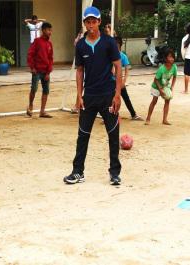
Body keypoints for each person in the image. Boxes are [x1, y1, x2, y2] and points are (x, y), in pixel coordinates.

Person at [64, 6, 123, 186]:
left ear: (99, 22)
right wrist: (79, 95)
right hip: (89, 96)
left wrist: (117, 94)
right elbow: (80, 70)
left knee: (113, 134)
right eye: (87, 22)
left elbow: (118, 66)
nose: (91, 25)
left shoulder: (109, 42)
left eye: (94, 21)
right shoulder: (81, 45)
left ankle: (114, 173)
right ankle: (77, 172)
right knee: (83, 134)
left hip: (107, 95)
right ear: (84, 23)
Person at [26, 22, 54, 118]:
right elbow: (30, 54)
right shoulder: (37, 41)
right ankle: (30, 105)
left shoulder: (50, 44)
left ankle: (42, 111)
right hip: (37, 71)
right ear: (43, 30)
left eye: (51, 30)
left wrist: (48, 72)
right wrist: (32, 67)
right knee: (34, 88)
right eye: (48, 30)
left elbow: (51, 58)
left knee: (46, 91)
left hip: (46, 72)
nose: (50, 32)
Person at [145, 48, 177, 126]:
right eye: (169, 57)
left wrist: (172, 86)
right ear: (166, 58)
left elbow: (175, 77)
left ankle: (164, 120)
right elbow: (156, 79)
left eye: (172, 57)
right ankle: (148, 118)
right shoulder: (161, 69)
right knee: (154, 101)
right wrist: (160, 90)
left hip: (165, 85)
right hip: (156, 86)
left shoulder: (174, 67)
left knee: (167, 100)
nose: (171, 59)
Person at [114, 36, 143, 121]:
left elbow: (127, 69)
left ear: (119, 45)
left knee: (126, 98)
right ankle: (109, 117)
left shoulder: (123, 56)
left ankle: (133, 114)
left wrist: (124, 81)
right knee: (109, 99)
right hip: (111, 81)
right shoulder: (109, 55)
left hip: (119, 81)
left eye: (116, 44)